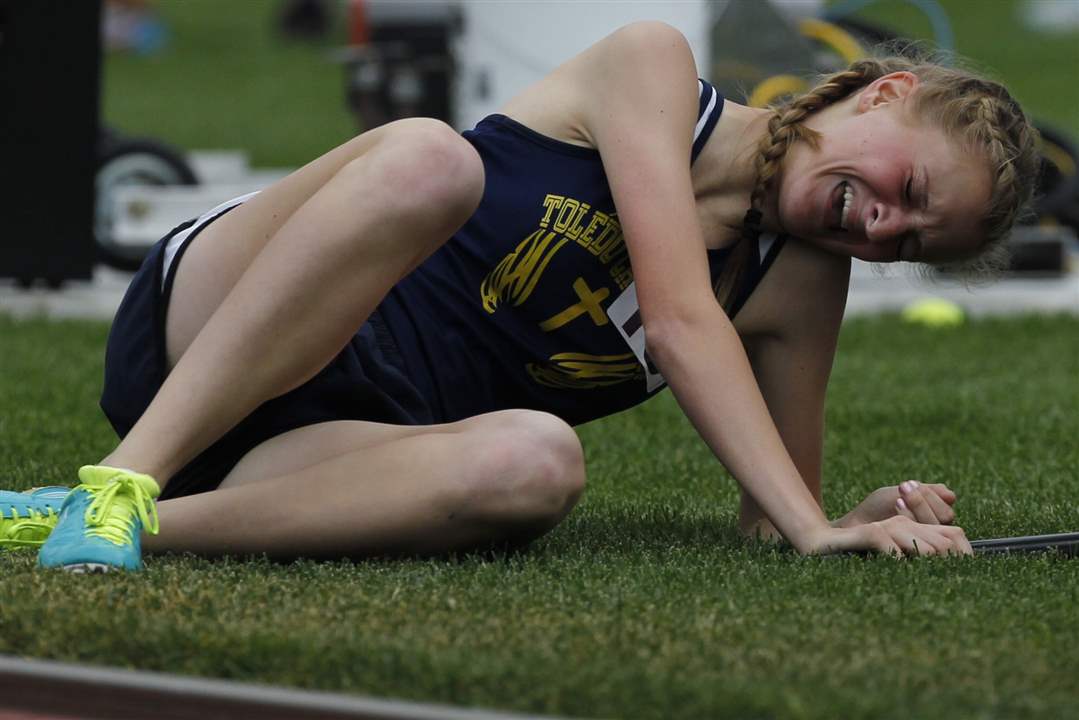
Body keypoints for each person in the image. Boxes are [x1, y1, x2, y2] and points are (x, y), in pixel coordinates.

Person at [6, 22, 1039, 571]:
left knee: (538, 461)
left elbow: (773, 520)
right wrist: (813, 529)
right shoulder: (653, 69)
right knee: (427, 162)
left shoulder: (801, 281)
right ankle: (123, 476)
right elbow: (678, 319)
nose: (882, 226)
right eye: (907, 190)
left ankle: (113, 524)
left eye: (912, 240)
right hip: (207, 333)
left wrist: (837, 519)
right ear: (884, 92)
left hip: (330, 447)